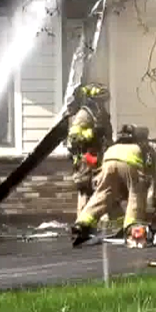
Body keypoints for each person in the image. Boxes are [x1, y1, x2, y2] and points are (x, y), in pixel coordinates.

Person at [71, 124, 153, 248]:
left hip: (109, 158)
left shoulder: (114, 145)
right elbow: (149, 172)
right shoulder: (144, 146)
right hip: (130, 161)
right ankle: (132, 228)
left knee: (103, 194)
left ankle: (81, 225)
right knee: (136, 194)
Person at [65, 82, 113, 218]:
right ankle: (82, 224)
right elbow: (73, 139)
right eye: (100, 101)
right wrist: (92, 133)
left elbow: (108, 137)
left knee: (102, 190)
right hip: (85, 160)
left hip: (100, 158)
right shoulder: (84, 114)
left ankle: (99, 221)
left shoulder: (102, 115)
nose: (103, 104)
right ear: (93, 100)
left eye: (104, 101)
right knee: (85, 191)